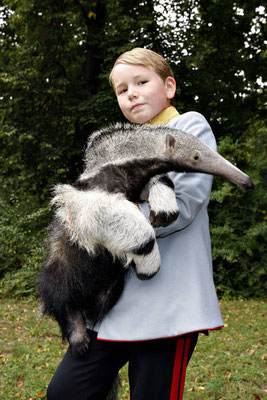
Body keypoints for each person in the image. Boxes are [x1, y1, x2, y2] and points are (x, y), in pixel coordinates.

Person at [47, 48, 224, 400]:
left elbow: (182, 208)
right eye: (122, 90)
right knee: (66, 392)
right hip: (111, 300)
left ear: (169, 86)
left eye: (142, 82)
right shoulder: (117, 146)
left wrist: (98, 219)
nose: (131, 93)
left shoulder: (187, 125)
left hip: (167, 303)